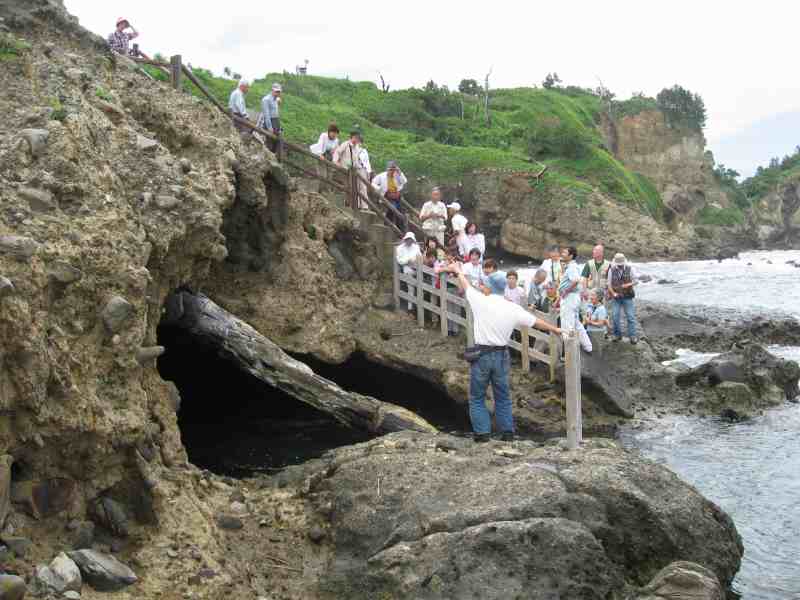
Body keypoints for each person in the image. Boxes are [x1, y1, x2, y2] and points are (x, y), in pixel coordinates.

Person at [443, 260, 563, 442]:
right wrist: (554, 329)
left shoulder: (480, 301)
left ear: (489, 287)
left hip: (482, 355)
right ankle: (507, 433)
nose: (482, 286)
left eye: (484, 284)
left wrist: (458, 270)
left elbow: (466, 285)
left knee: (477, 397)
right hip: (501, 355)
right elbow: (535, 321)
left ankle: (482, 435)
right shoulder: (512, 307)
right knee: (503, 397)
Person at [558, 246, 592, 353]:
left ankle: (569, 351)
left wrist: (566, 291)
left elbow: (576, 280)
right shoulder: (573, 266)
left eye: (564, 252)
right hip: (574, 297)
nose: (562, 254)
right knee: (576, 323)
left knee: (567, 324)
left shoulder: (572, 267)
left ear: (571, 256)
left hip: (569, 298)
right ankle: (588, 346)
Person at [333, 131, 370, 210]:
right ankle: (348, 203)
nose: (356, 139)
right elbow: (337, 152)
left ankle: (353, 204)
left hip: (353, 170)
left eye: (357, 138)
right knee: (347, 186)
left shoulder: (357, 147)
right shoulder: (345, 144)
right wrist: (336, 162)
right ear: (351, 137)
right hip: (345, 169)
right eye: (355, 137)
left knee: (354, 187)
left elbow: (355, 159)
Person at [607, 253, 639, 344]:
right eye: (618, 265)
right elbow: (609, 284)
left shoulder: (630, 268)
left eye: (621, 264)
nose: (620, 266)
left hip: (628, 297)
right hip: (616, 298)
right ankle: (617, 335)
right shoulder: (611, 270)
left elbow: (636, 281)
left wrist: (627, 285)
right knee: (615, 316)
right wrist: (613, 293)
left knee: (630, 317)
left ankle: (632, 336)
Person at [373, 161, 407, 228]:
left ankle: (398, 227)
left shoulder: (397, 175)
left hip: (396, 196)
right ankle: (389, 225)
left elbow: (404, 181)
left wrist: (400, 173)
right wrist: (380, 189)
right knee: (393, 209)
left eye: (393, 169)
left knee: (399, 212)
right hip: (387, 196)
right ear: (387, 169)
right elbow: (373, 183)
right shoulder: (381, 176)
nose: (392, 171)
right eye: (390, 169)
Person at [396, 232, 422, 311]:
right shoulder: (400, 248)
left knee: (420, 286)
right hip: (407, 268)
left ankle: (418, 306)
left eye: (411, 240)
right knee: (411, 288)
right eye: (408, 239)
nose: (409, 241)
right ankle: (410, 307)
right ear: (406, 239)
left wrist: (415, 261)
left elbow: (420, 256)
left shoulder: (416, 247)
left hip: (418, 268)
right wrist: (408, 261)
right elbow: (399, 260)